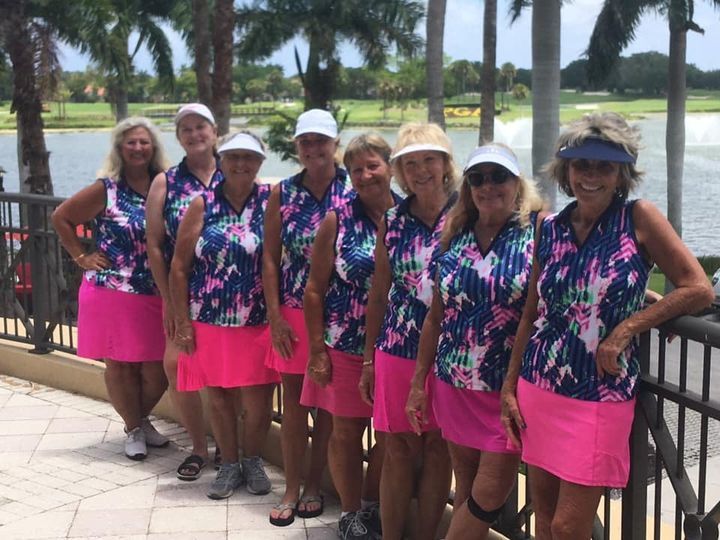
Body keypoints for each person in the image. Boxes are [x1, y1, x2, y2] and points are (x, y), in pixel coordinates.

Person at [500, 112, 714, 540]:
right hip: (539, 385)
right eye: (582, 165)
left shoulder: (639, 217)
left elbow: (699, 289)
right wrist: (508, 387)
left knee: (567, 526)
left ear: (621, 173)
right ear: (566, 171)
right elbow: (531, 312)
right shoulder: (550, 227)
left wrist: (628, 326)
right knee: (543, 517)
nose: (591, 176)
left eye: (604, 167)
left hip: (600, 392)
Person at [406, 144, 545, 540]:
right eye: (478, 178)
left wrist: (640, 297)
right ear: (468, 186)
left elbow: (575, 280)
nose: (488, 186)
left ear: (516, 183)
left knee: (487, 498)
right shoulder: (455, 234)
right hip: (454, 384)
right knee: (467, 491)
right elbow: (435, 316)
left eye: (498, 176)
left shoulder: (539, 230)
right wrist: (419, 383)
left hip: (507, 391)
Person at [360, 122, 459, 540]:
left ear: (445, 164)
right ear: (400, 171)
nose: (421, 171)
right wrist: (368, 360)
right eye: (411, 163)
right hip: (398, 349)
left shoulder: (467, 215)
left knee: (439, 449)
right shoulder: (393, 221)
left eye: (429, 161)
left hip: (452, 352)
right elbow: (380, 293)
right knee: (398, 448)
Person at [52, 116, 171, 460]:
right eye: (130, 142)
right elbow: (61, 217)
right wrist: (80, 255)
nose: (137, 148)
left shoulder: (165, 185)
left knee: (157, 368)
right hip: (111, 290)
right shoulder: (108, 188)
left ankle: (137, 419)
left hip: (154, 290)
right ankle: (135, 428)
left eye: (144, 142)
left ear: (154, 148)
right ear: (120, 147)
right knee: (119, 365)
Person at [169, 131, 279, 500]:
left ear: (261, 163)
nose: (241, 164)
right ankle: (229, 463)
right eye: (233, 157)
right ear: (221, 160)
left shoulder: (272, 202)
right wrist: (182, 321)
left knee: (259, 400)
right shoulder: (202, 204)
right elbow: (179, 267)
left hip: (260, 319)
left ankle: (253, 460)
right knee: (218, 397)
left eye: (249, 157)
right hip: (209, 318)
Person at [302, 134, 401, 539]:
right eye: (356, 169)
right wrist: (316, 350)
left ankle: (372, 502)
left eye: (372, 165)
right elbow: (313, 289)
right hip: (344, 344)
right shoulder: (337, 219)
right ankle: (349, 512)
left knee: (391, 436)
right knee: (345, 433)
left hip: (398, 347)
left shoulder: (409, 215)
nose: (364, 175)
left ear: (390, 166)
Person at [264, 109, 355, 526]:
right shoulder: (283, 192)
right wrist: (275, 316)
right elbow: (269, 256)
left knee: (329, 408)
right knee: (296, 405)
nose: (314, 149)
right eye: (306, 142)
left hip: (341, 314)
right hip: (294, 311)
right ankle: (291, 486)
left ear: (335, 144)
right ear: (297, 147)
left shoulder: (355, 187)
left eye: (321, 141)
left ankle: (316, 484)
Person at [146, 103, 224, 481]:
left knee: (229, 372)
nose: (195, 135)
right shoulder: (166, 182)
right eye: (186, 130)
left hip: (232, 292)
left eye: (201, 128)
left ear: (214, 131)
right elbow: (156, 245)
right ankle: (197, 446)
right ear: (179, 138)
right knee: (177, 366)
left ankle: (230, 445)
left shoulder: (237, 172)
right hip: (185, 291)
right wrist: (169, 300)